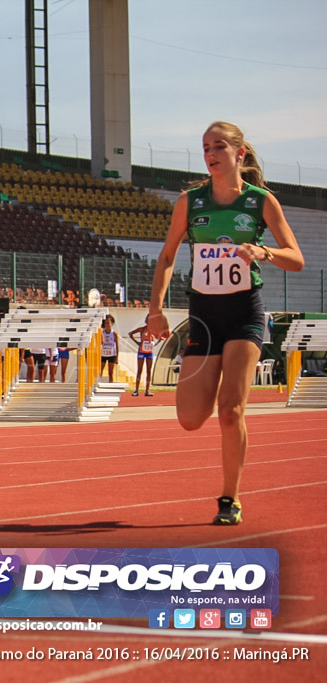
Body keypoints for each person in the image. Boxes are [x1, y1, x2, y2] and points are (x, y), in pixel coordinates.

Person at [146, 121, 303, 526]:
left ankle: (229, 498)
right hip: (204, 316)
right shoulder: (190, 202)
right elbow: (166, 258)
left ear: (239, 155)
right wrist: (155, 309)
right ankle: (206, 375)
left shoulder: (260, 201)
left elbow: (295, 258)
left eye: (218, 146)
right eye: (205, 148)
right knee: (190, 418)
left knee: (231, 410)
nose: (210, 154)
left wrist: (263, 251)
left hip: (244, 313)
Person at [129, 323, 157, 396]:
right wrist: (137, 342)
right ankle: (136, 390)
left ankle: (147, 390)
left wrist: (158, 341)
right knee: (139, 370)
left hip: (150, 352)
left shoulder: (154, 330)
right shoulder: (142, 329)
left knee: (149, 370)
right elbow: (130, 334)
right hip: (141, 351)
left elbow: (159, 337)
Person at [100, 314, 118, 382]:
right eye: (105, 323)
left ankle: (111, 385)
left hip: (112, 354)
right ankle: (98, 383)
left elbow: (117, 346)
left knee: (110, 372)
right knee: (100, 371)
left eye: (108, 323)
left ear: (112, 323)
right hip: (103, 354)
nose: (107, 325)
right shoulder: (102, 333)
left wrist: (117, 357)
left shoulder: (114, 334)